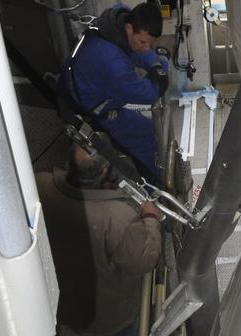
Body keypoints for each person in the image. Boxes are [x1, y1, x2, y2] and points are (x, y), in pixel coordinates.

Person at [36, 141, 161, 336]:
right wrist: (151, 218)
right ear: (103, 172)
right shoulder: (119, 219)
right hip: (108, 322)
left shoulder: (40, 185)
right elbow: (143, 261)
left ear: (68, 164)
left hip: (60, 309)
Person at [59, 2, 169, 182]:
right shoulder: (114, 65)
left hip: (77, 82)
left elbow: (135, 51)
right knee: (149, 140)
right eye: (143, 42)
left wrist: (154, 62)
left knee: (149, 129)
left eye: (150, 44)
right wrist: (161, 64)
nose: (146, 48)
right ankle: (157, 187)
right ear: (129, 28)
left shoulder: (115, 21)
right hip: (89, 109)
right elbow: (150, 93)